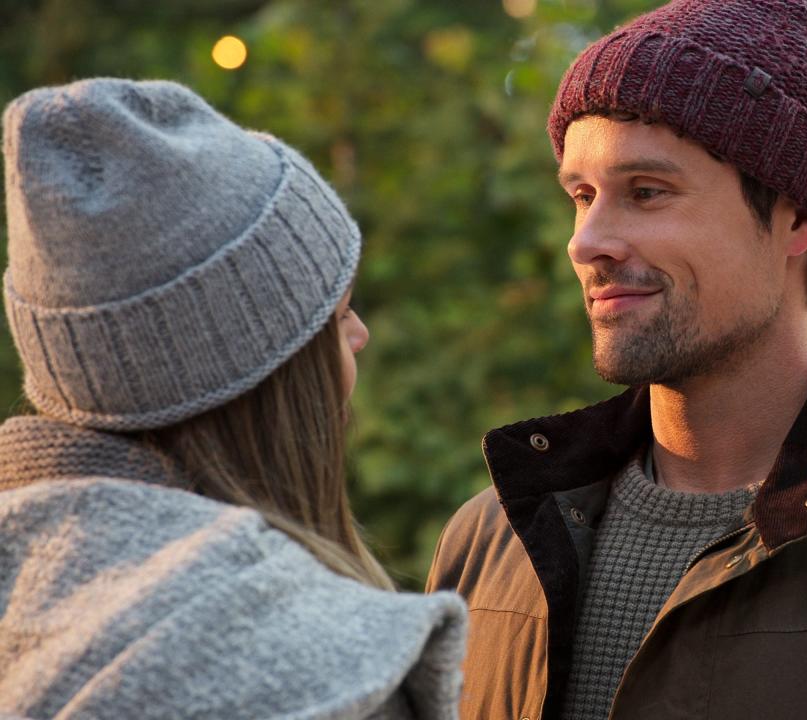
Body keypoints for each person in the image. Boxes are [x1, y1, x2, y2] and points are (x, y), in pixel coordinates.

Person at [426, 0, 807, 718]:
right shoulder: (488, 541)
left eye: (646, 193)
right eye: (581, 196)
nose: (586, 242)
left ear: (800, 217)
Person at [0, 78, 465, 719]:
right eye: (337, 317)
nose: (361, 336)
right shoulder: (321, 669)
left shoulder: (28, 593)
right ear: (265, 370)